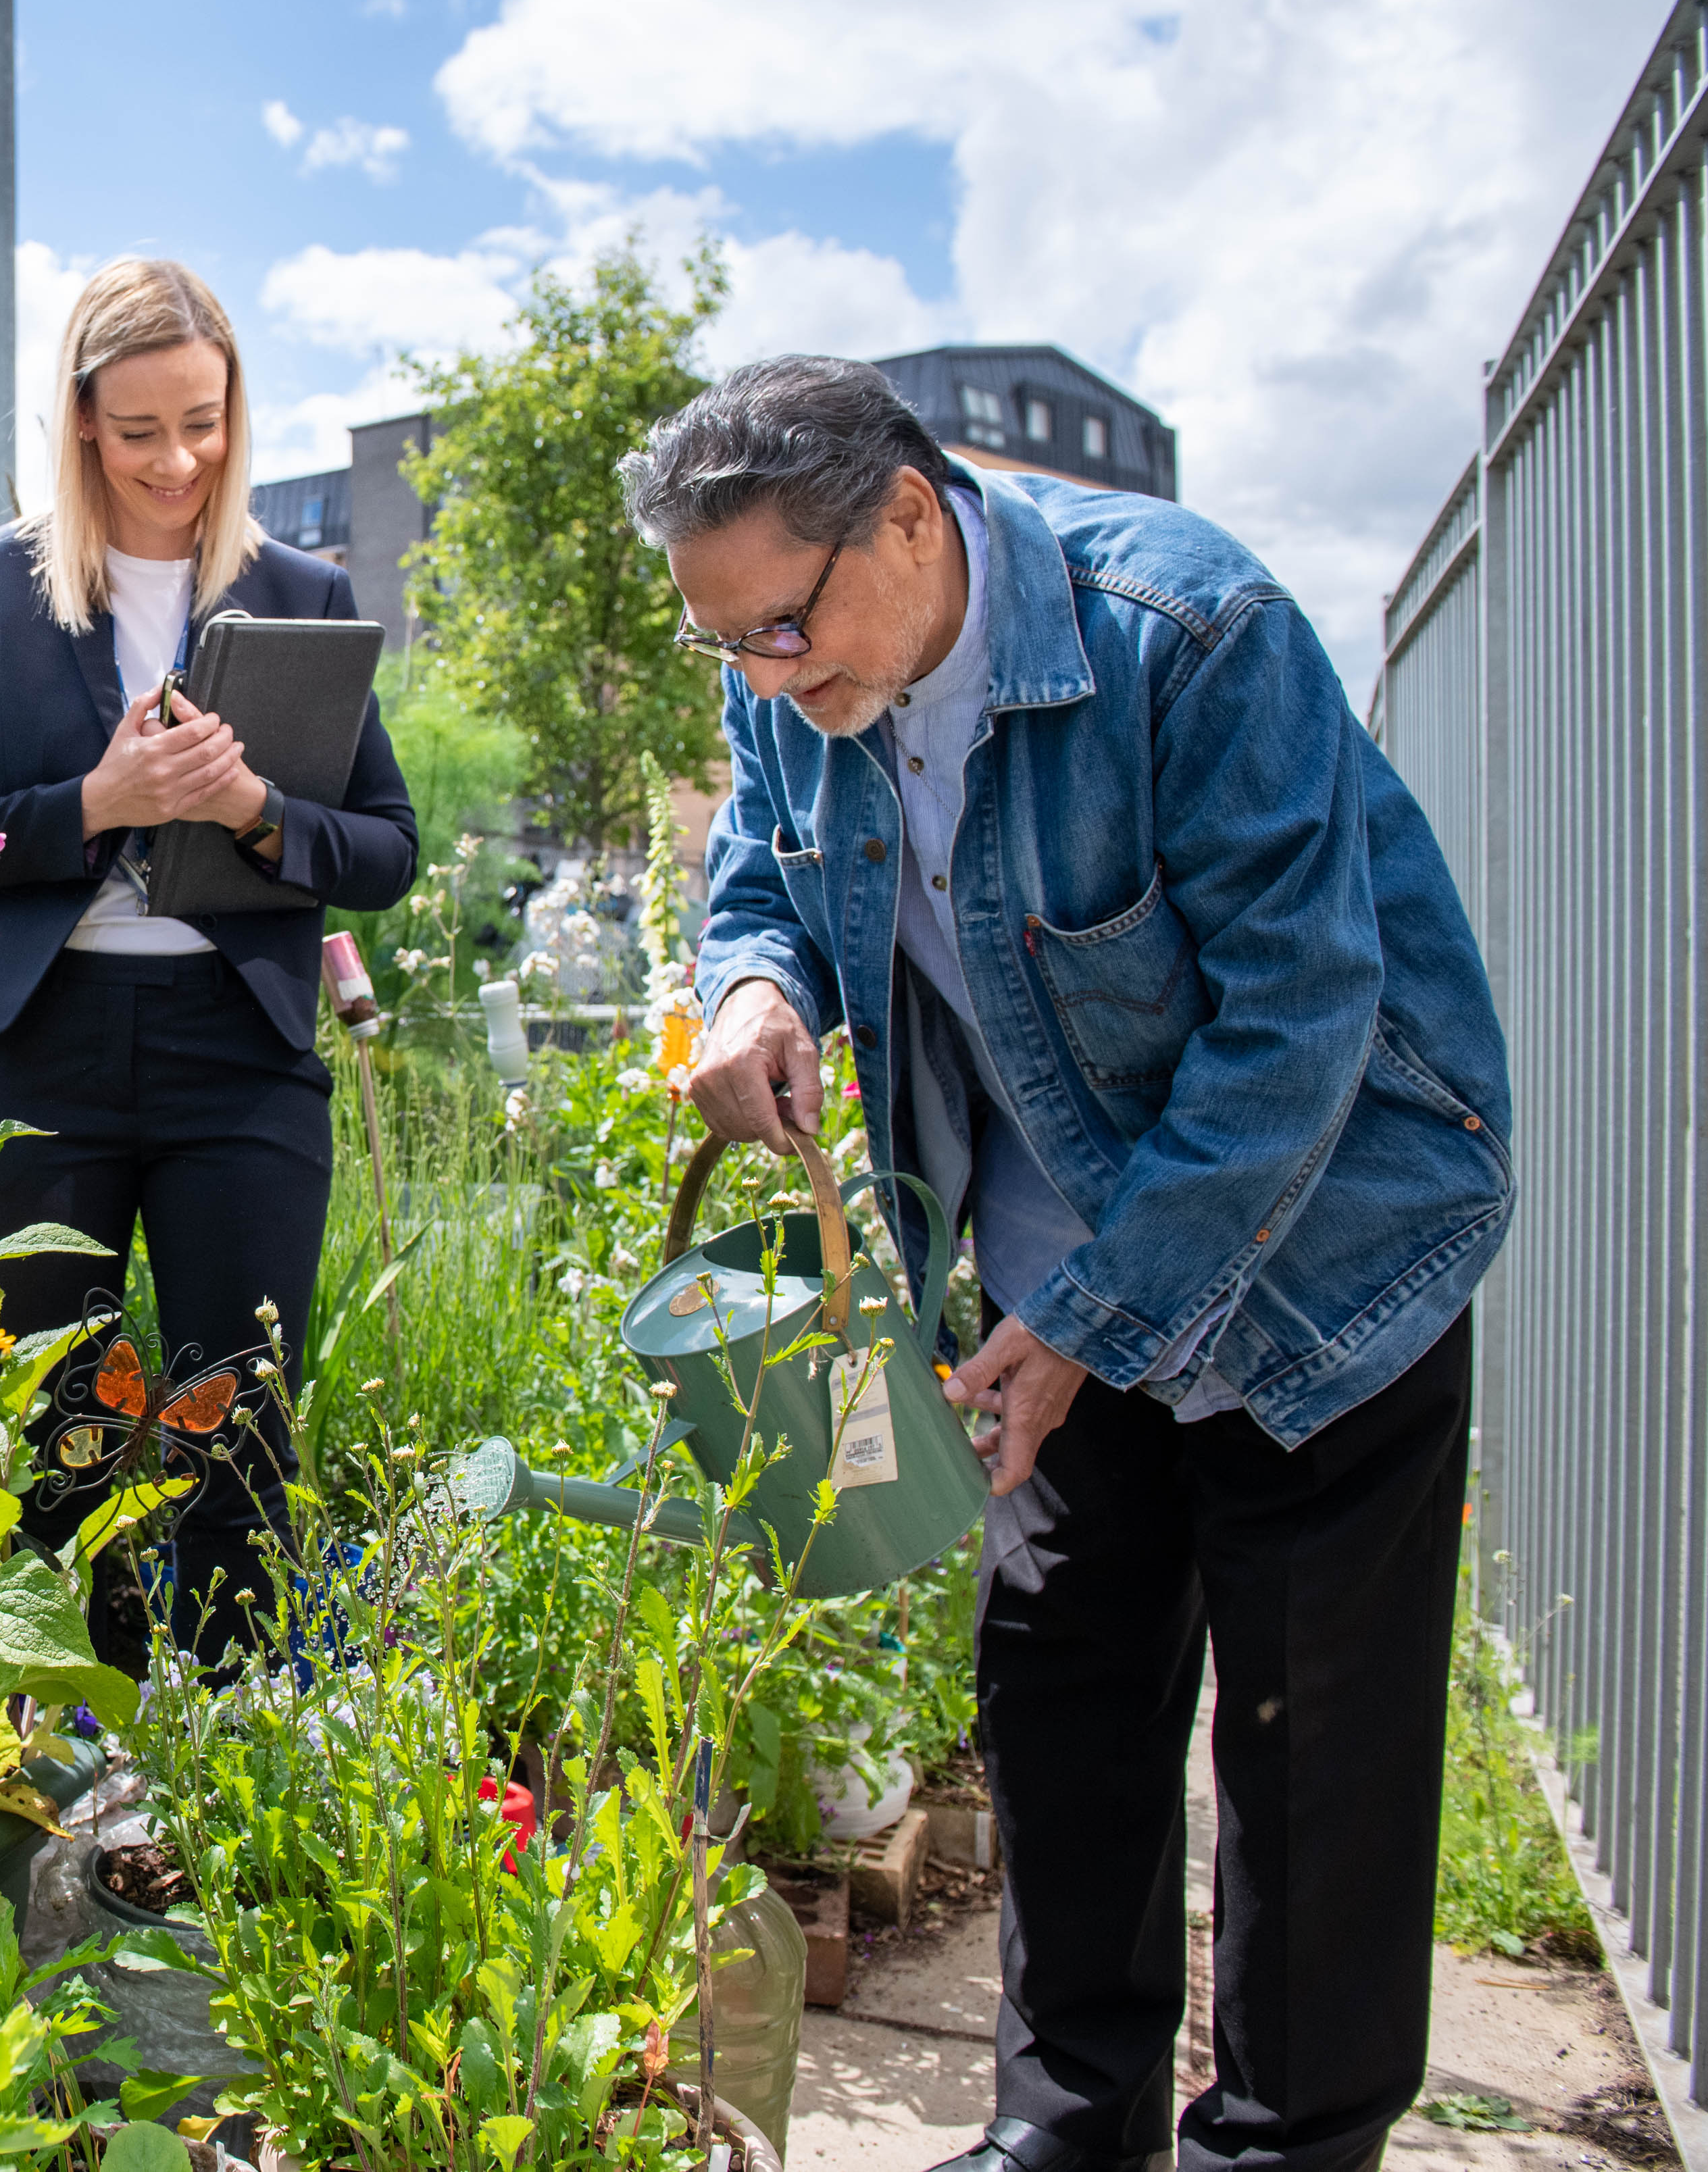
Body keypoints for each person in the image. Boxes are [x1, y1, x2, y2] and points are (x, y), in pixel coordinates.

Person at [632, 355, 1513, 2172]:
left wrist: (1095, 1323)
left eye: (785, 629)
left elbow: (1294, 1022)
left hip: (1310, 1275)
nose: (770, 681)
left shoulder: (1186, 632)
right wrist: (750, 981)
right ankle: (1061, 2128)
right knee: (1066, 1709)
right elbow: (759, 879)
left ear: (902, 512)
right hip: (1039, 1277)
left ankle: (1283, 2142)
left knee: (1309, 1762)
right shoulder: (787, 669)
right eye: (733, 651)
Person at [0, 257, 417, 1669]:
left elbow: (385, 850)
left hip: (239, 1057)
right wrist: (99, 806)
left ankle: (227, 1787)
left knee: (236, 1432)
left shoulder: (299, 587)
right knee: (55, 1445)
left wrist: (253, 813)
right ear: (78, 423)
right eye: (139, 432)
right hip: (49, 1050)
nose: (177, 460)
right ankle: (67, 1765)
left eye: (203, 422)